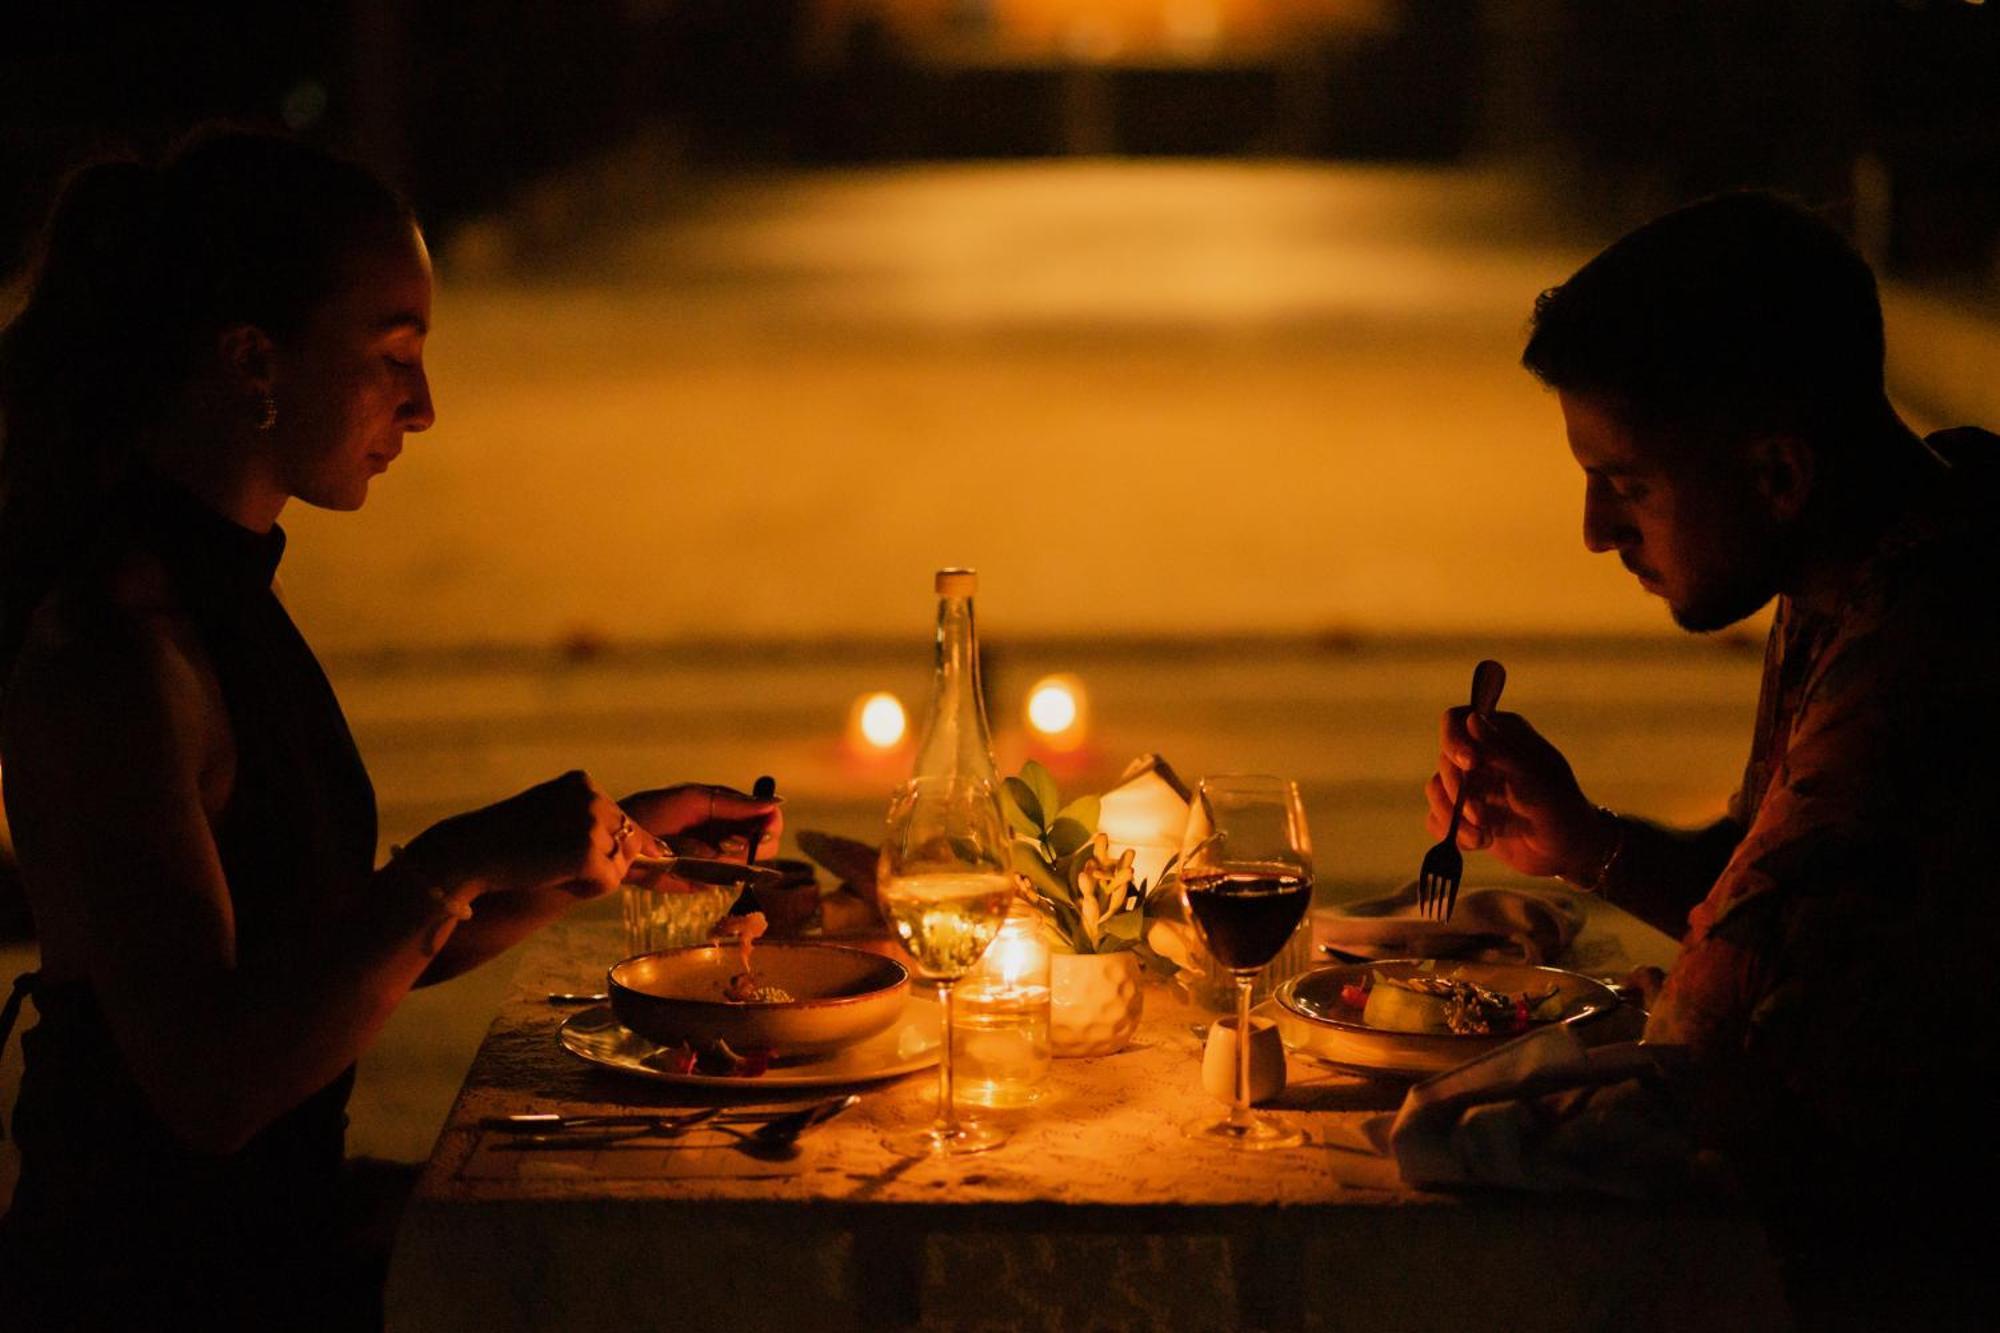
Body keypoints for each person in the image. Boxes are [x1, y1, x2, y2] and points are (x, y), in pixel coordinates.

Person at [0, 130, 780, 1329]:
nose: (421, 407)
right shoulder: (121, 653)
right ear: (253, 359)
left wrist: (600, 855)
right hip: (149, 1286)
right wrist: (456, 858)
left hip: (262, 1244)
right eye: (393, 356)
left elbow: (319, 947)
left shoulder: (226, 597)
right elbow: (214, 1079)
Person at [1425, 190, 1997, 1326]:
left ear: (1776, 475)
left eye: (1626, 484)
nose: (1594, 531)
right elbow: (1781, 887)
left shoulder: (1934, 644)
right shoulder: (1861, 553)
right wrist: (1588, 845)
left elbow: (1714, 1037)